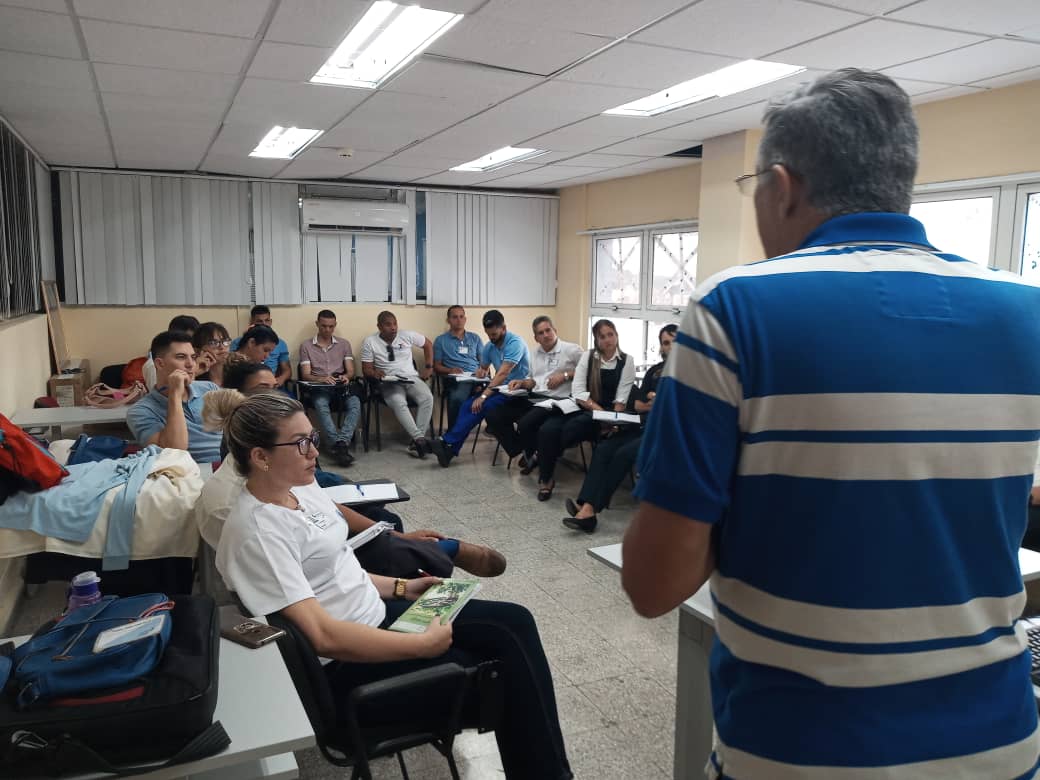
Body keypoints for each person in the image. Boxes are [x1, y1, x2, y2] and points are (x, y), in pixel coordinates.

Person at [622, 68, 1040, 778]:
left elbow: (654, 584)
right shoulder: (1025, 309)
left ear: (780, 185)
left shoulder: (734, 309)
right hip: (997, 743)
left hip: (803, 749)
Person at [208, 390, 571, 779]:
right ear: (260, 457)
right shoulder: (258, 532)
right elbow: (323, 636)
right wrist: (420, 645)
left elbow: (334, 573)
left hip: (376, 614)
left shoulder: (297, 488)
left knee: (514, 622)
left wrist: (401, 587)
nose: (315, 451)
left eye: (313, 438)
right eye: (301, 444)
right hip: (349, 666)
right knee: (503, 673)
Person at [196, 362, 506, 579]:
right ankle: (441, 551)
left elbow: (323, 505)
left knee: (385, 524)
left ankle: (424, 554)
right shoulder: (243, 512)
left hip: (338, 567)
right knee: (391, 542)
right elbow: (314, 589)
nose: (315, 452)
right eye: (265, 391)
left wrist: (395, 543)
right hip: (332, 577)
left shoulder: (273, 471)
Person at [562, 324, 676, 533]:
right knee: (605, 448)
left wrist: (658, 400)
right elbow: (639, 405)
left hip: (668, 431)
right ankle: (586, 506)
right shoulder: (655, 371)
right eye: (666, 343)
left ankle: (589, 510)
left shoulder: (690, 374)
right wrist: (657, 400)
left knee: (623, 453)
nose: (671, 346)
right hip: (642, 423)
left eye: (675, 341)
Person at [533, 319, 634, 502]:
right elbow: (579, 392)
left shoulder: (627, 361)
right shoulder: (588, 357)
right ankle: (546, 480)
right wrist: (599, 411)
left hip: (611, 415)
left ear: (617, 336)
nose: (607, 340)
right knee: (547, 430)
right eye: (602, 337)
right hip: (585, 406)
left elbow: (622, 398)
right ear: (596, 340)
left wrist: (612, 420)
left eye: (610, 335)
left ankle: (543, 456)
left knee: (572, 429)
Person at [429, 310, 530, 468]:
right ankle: (449, 450)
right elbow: (483, 368)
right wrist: (481, 372)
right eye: (489, 335)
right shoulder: (490, 346)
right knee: (467, 405)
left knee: (482, 405)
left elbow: (503, 373)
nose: (492, 338)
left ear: (504, 328)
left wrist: (483, 396)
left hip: (519, 389)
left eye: (495, 335)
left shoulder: (515, 343)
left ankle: (447, 443)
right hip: (502, 389)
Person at [485, 315, 583, 471]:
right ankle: (525, 451)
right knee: (493, 414)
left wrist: (565, 376)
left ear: (555, 330)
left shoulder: (572, 350)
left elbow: (589, 372)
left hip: (558, 401)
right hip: (535, 398)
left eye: (548, 330)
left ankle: (533, 454)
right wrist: (522, 383)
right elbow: (533, 380)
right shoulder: (534, 353)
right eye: (541, 333)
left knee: (525, 424)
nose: (545, 335)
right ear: (536, 337)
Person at [127, 330, 221, 463]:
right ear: (160, 364)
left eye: (193, 357)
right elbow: (174, 453)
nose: (190, 364)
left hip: (231, 464)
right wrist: (175, 396)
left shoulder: (209, 388)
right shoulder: (140, 411)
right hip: (188, 473)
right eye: (181, 357)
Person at [360, 311, 434, 458]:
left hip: (410, 377)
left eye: (395, 324)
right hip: (389, 382)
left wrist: (428, 367)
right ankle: (419, 439)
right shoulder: (370, 342)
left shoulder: (406, 335)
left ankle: (416, 442)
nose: (393, 327)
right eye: (388, 324)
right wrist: (375, 373)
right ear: (379, 326)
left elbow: (428, 344)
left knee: (427, 398)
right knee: (399, 402)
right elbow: (366, 369)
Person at [298, 309, 362, 468]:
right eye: (324, 326)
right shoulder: (306, 346)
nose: (327, 330)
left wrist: (346, 376)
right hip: (320, 387)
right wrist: (321, 378)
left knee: (355, 402)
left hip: (340, 387)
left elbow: (351, 371)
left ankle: (342, 442)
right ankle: (337, 444)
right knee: (320, 404)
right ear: (317, 324)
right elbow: (305, 374)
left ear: (335, 326)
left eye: (331, 326)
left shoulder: (344, 344)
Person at [433, 305, 484, 428]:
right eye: (455, 317)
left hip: (476, 377)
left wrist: (482, 371)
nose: (459, 320)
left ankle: (492, 427)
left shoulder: (475, 338)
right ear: (448, 320)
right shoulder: (441, 340)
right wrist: (451, 370)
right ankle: (453, 434)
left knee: (497, 394)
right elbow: (437, 366)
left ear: (465, 319)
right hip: (456, 379)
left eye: (461, 317)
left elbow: (484, 362)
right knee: (457, 397)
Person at [230, 305, 291, 388]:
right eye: (265, 350)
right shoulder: (235, 360)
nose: (264, 324)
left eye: (267, 320)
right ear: (251, 343)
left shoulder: (279, 342)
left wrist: (278, 380)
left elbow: (287, 370)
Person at [142, 314, 199, 390]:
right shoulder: (152, 365)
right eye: (181, 357)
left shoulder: (208, 386)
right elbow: (161, 394)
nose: (191, 343)